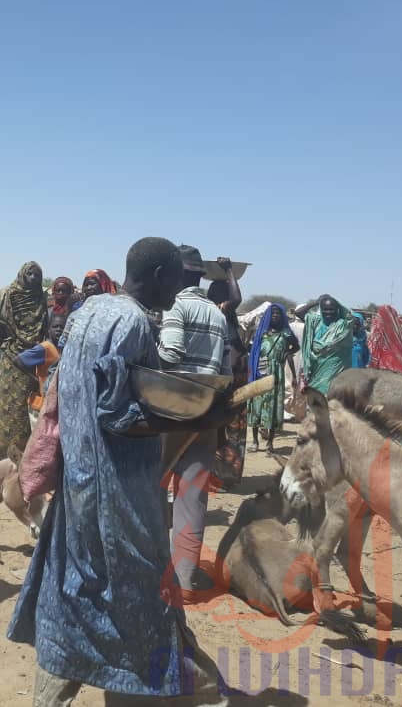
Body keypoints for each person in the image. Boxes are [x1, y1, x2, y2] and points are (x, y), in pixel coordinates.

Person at [7, 237, 226, 705]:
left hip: (80, 480)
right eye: (178, 279)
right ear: (163, 274)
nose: (180, 290)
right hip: (119, 492)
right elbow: (118, 415)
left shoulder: (90, 310)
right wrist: (197, 415)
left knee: (77, 591)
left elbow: (71, 388)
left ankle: (52, 697)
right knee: (142, 593)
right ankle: (198, 690)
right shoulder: (134, 324)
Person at [158, 244, 232, 603]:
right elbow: (226, 370)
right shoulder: (216, 315)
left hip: (172, 412)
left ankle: (157, 573)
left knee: (154, 492)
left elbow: (170, 356)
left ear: (175, 275)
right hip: (207, 413)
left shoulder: (176, 306)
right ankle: (185, 581)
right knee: (192, 498)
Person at [0, 261, 47, 464]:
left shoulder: (41, 299)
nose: (33, 278)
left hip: (34, 362)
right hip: (13, 360)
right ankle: (2, 455)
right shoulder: (9, 295)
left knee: (29, 409)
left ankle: (26, 455)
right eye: (29, 274)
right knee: (9, 408)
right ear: (22, 275)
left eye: (36, 275)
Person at [206, 258, 248, 489]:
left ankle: (225, 475)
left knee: (230, 427)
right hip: (228, 379)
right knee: (228, 427)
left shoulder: (227, 317)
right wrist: (229, 270)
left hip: (233, 379)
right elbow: (237, 299)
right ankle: (222, 475)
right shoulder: (218, 311)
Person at [246, 303, 299, 453]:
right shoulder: (260, 333)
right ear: (269, 315)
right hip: (260, 372)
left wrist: (293, 372)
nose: (275, 315)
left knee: (274, 405)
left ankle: (270, 443)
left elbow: (295, 347)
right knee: (257, 404)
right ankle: (255, 441)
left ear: (282, 316)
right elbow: (252, 350)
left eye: (278, 313)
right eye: (273, 313)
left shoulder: (286, 334)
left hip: (277, 373)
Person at [297, 295, 355, 394]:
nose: (328, 312)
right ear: (321, 309)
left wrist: (339, 304)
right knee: (316, 403)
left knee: (334, 402)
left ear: (337, 309)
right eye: (325, 309)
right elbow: (299, 312)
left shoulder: (342, 325)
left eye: (331, 309)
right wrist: (316, 301)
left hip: (337, 370)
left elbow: (350, 316)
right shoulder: (316, 322)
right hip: (317, 372)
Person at [17, 310, 66, 415]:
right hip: (42, 403)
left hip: (55, 400)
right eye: (55, 327)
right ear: (48, 330)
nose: (59, 330)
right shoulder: (44, 348)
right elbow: (19, 360)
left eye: (62, 327)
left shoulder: (62, 348)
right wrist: (35, 378)